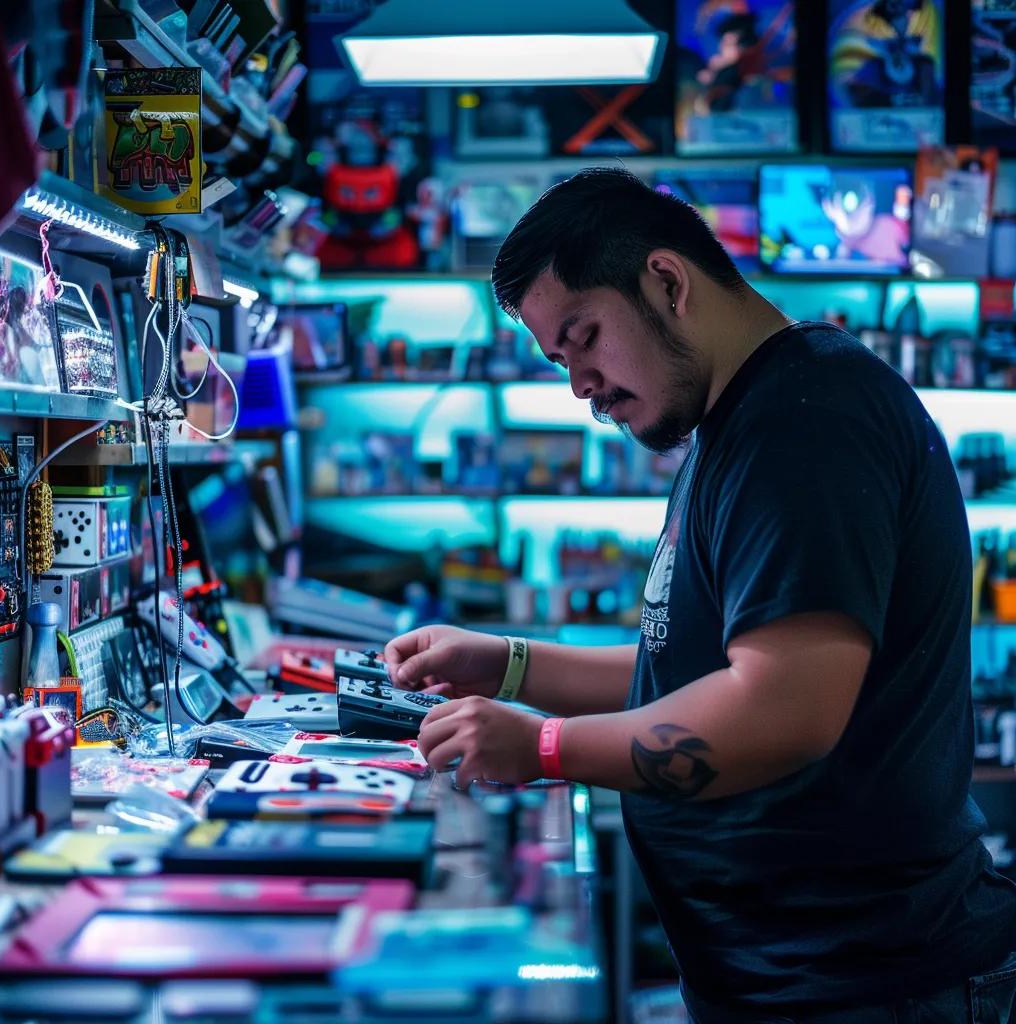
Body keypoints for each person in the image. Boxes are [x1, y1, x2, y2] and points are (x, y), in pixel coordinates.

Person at [383, 168, 1016, 1023]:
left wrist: (545, 748)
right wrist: (507, 664)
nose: (580, 385)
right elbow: (687, 662)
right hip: (799, 979)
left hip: (867, 986)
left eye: (584, 336)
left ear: (667, 282)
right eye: (560, 359)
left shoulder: (807, 419)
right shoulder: (741, 424)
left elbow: (782, 708)